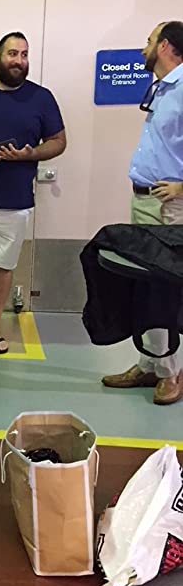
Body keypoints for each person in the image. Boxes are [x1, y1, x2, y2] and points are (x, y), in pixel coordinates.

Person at [0, 32, 66, 354]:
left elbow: (58, 142)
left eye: (24, 54)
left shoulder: (42, 98)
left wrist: (30, 154)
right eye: (12, 54)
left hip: (15, 202)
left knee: (3, 267)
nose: (19, 61)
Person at [101, 20, 183, 406]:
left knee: (163, 289)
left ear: (165, 46)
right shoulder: (163, 88)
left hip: (168, 206)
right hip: (146, 201)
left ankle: (170, 374)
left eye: (149, 42)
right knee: (147, 286)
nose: (143, 49)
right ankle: (150, 364)